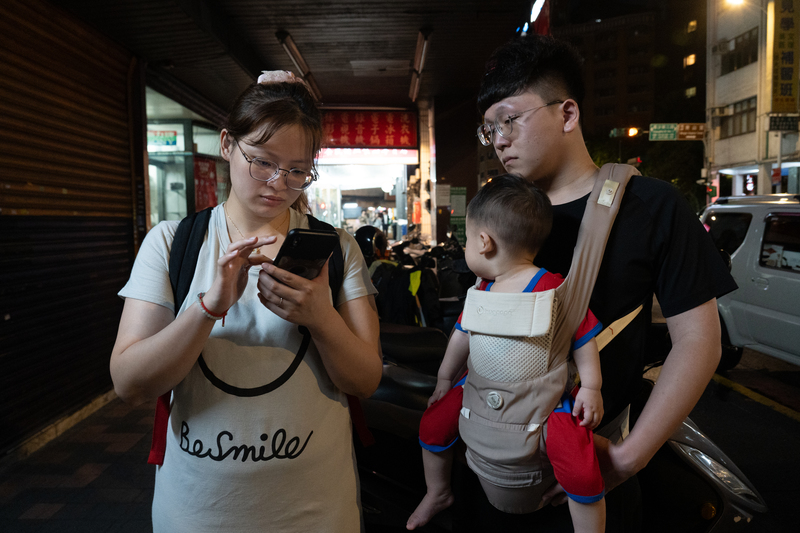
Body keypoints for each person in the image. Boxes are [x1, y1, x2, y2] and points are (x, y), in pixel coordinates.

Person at [454, 34, 736, 531]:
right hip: (489, 467)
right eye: (488, 128)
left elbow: (698, 342)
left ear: (567, 114)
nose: (498, 140)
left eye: (510, 120)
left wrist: (629, 458)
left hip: (591, 480)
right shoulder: (494, 213)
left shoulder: (652, 206)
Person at [110, 70, 382, 532]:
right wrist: (207, 307)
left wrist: (321, 319)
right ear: (226, 144)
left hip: (317, 512)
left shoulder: (336, 247)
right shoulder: (174, 243)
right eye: (262, 161)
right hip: (198, 511)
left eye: (297, 170)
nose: (278, 182)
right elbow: (129, 382)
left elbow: (366, 380)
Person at [407, 175, 606, 532]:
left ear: (484, 242)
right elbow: (462, 336)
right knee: (433, 424)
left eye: (468, 239)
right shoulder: (482, 289)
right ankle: (437, 492)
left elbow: (582, 334)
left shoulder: (552, 288)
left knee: (581, 469)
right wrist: (443, 379)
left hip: (542, 403)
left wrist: (591, 387)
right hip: (477, 390)